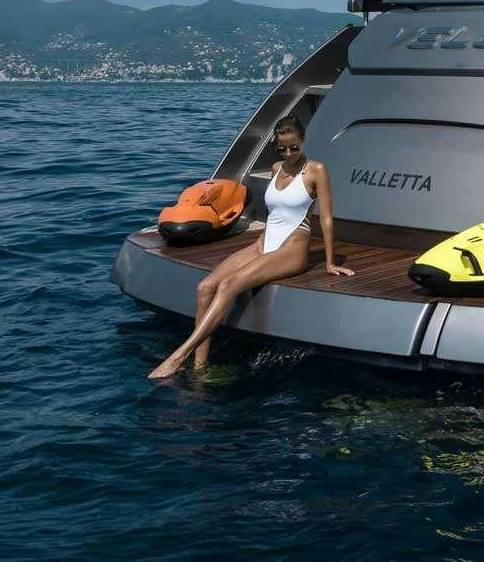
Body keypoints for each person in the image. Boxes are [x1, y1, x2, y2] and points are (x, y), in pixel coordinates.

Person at [148, 116, 353, 379]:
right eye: (282, 148)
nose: (288, 153)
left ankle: (178, 356)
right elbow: (275, 213)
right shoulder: (276, 167)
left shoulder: (316, 170)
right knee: (205, 287)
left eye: (294, 147)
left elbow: (325, 217)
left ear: (302, 141)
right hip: (264, 243)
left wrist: (329, 262)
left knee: (228, 285)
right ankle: (199, 369)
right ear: (276, 147)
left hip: (293, 247)